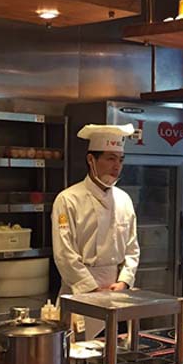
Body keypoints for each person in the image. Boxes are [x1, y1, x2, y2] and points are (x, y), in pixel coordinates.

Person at [52, 124, 140, 339]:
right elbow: (64, 254)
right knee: (78, 349)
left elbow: (132, 249)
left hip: (117, 293)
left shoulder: (124, 199)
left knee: (115, 347)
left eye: (121, 160)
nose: (117, 166)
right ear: (91, 159)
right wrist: (91, 289)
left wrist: (124, 281)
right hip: (80, 291)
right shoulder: (68, 199)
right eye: (110, 158)